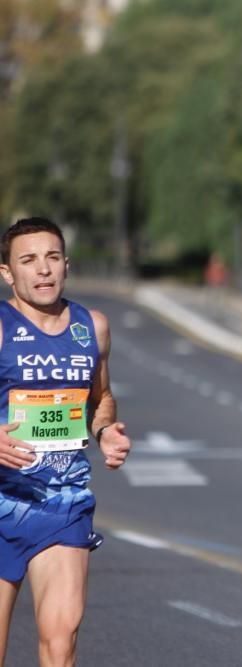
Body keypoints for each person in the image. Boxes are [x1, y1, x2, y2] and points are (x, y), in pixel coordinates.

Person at [0, 217, 130, 666]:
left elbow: (102, 397)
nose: (43, 270)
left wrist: (105, 430)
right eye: (29, 260)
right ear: (7, 273)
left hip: (62, 503)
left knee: (61, 644)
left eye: (52, 258)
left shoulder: (90, 327)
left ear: (66, 265)